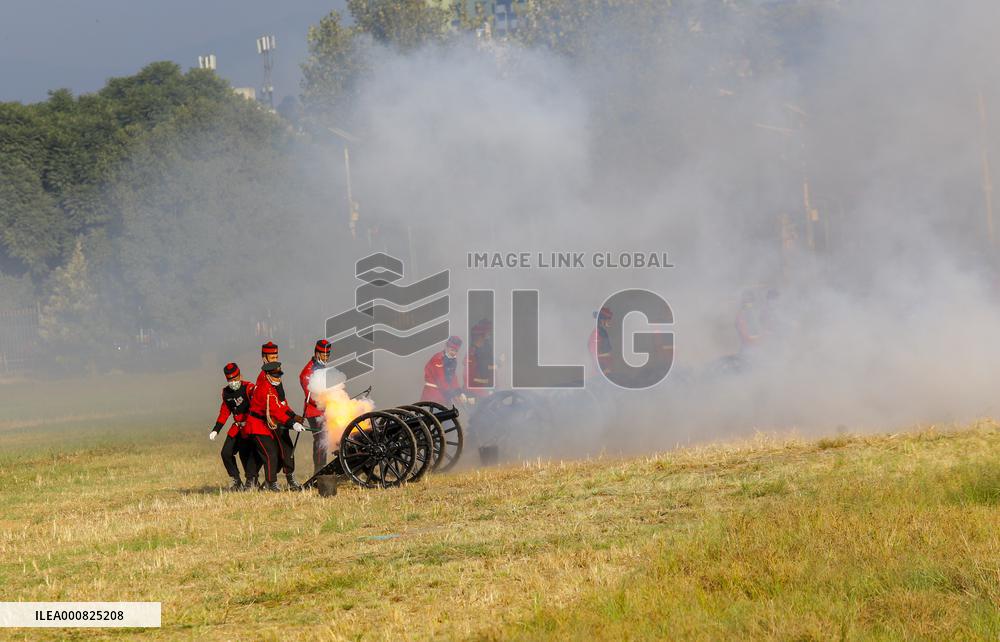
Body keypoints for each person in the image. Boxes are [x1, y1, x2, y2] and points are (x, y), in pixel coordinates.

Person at [245, 361, 306, 491]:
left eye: (279, 375)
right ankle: (270, 484)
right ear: (267, 375)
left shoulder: (272, 387)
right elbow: (276, 411)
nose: (278, 378)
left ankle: (270, 483)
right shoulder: (265, 389)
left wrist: (293, 416)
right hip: (256, 425)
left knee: (277, 452)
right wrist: (292, 423)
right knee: (270, 453)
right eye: (275, 376)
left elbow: (281, 406)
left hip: (266, 425)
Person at [209, 363, 257, 491]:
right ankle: (236, 480)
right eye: (230, 380)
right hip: (237, 428)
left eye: (235, 378)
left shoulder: (249, 388)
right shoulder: (226, 393)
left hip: (250, 427)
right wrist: (216, 429)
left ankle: (252, 481)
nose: (233, 382)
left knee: (246, 455)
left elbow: (257, 404)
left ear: (240, 375)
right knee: (226, 453)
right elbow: (224, 412)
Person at [299, 339, 332, 473]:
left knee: (326, 440)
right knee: (320, 440)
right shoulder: (308, 371)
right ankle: (319, 471)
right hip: (314, 412)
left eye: (328, 354)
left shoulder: (322, 367)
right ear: (317, 353)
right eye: (324, 354)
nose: (327, 357)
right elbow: (312, 396)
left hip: (325, 409)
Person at [421, 335, 463, 405]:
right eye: (452, 350)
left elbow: (453, 378)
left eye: (456, 351)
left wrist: (459, 392)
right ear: (446, 347)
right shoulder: (437, 359)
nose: (453, 353)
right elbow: (441, 380)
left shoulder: (453, 361)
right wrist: (453, 395)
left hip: (443, 396)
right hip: (432, 395)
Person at [465, 320, 494, 401]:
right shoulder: (472, 353)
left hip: (485, 389)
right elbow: (469, 377)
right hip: (476, 392)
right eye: (487, 332)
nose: (489, 335)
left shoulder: (487, 348)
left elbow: (490, 369)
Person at [588, 307, 614, 378]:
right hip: (599, 373)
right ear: (601, 320)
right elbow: (594, 354)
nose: (610, 321)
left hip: (604, 371)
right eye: (608, 319)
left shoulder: (602, 332)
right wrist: (603, 368)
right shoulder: (597, 333)